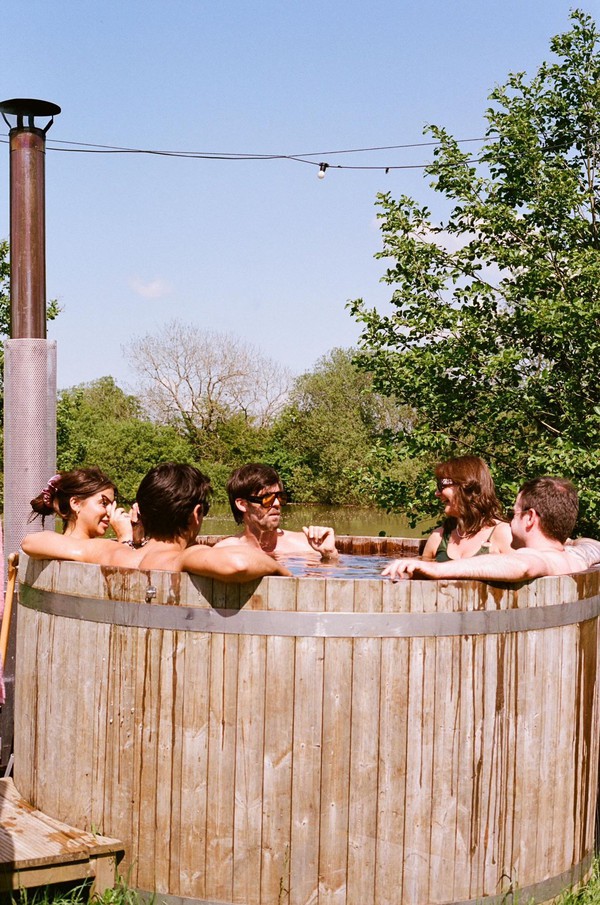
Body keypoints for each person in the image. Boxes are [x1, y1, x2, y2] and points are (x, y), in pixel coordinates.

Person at [23, 463, 290, 581]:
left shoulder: (114, 552)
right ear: (196, 514)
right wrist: (281, 571)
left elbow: (32, 541)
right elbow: (238, 564)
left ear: (143, 513)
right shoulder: (182, 558)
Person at [383, 477, 600, 581]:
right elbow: (592, 545)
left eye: (514, 513)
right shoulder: (575, 556)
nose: (509, 519)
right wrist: (570, 541)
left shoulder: (540, 559)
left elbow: (521, 564)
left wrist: (437, 569)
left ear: (530, 518)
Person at [214, 463, 339, 560]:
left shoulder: (308, 545)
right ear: (242, 504)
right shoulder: (225, 550)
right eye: (267, 498)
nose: (277, 503)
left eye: (279, 497)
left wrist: (330, 554)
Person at [421, 455, 513, 561]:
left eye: (441, 486)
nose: (437, 493)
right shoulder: (438, 537)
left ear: (466, 486)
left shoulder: (503, 533)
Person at [23, 468, 132, 555]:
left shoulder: (105, 548)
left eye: (112, 505)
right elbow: (28, 542)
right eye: (104, 503)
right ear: (75, 503)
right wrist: (125, 538)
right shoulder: (45, 544)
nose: (110, 512)